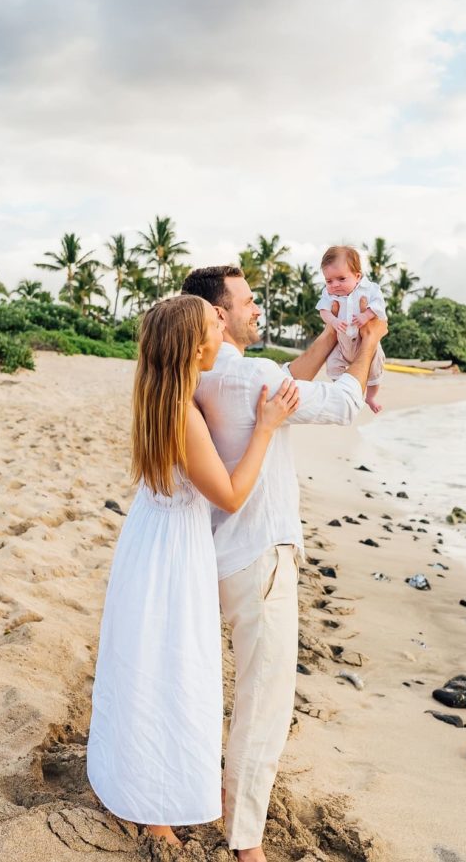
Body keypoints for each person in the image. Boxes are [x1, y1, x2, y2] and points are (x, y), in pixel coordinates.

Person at [180, 265, 387, 862]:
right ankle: (246, 842)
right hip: (261, 557)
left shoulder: (205, 374)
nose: (257, 309)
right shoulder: (251, 376)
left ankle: (215, 795)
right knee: (263, 702)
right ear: (217, 314)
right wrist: (367, 340)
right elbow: (345, 404)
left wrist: (330, 337)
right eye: (247, 302)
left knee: (221, 690)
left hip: (214, 554)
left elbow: (285, 380)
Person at [86, 295, 301, 849]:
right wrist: (266, 428)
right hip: (174, 554)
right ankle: (157, 814)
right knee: (171, 673)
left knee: (147, 667)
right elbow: (230, 496)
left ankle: (147, 799)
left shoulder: (162, 396)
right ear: (195, 344)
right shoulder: (182, 413)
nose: (223, 326)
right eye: (214, 323)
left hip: (149, 540)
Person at [316, 244, 388, 413]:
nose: (335, 285)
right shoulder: (328, 294)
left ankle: (370, 397)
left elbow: (379, 304)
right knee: (332, 364)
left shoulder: (369, 289)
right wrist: (333, 321)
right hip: (342, 343)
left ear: (357, 276)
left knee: (375, 368)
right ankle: (343, 390)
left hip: (365, 342)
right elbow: (323, 311)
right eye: (329, 281)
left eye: (341, 279)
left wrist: (366, 315)